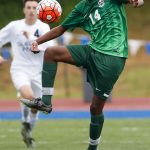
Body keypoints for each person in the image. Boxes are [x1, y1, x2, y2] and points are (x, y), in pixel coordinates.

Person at [21, 0, 144, 150]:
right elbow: (61, 28)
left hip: (113, 58)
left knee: (95, 108)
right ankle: (46, 102)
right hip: (92, 51)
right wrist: (37, 41)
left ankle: (92, 148)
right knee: (51, 53)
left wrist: (137, 1)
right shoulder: (81, 7)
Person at [0, 0, 57, 147]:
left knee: (35, 106)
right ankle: (25, 122)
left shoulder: (44, 27)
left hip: (39, 71)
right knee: (29, 95)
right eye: (29, 7)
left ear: (39, 11)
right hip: (20, 68)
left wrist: (30, 38)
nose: (31, 10)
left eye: (34, 8)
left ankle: (28, 130)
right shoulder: (14, 26)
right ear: (24, 10)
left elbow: (50, 48)